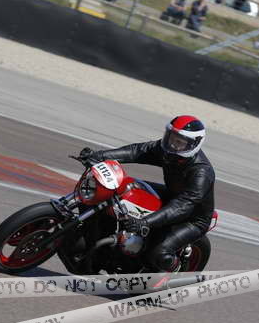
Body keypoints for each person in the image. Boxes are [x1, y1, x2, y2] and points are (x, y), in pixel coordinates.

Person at [78, 116, 215, 273]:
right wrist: (99, 156)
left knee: (157, 253)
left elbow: (182, 206)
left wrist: (145, 222)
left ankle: (173, 270)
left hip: (192, 218)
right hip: (171, 196)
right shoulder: (167, 150)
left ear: (194, 144)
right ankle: (101, 247)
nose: (173, 144)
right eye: (171, 137)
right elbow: (137, 151)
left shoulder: (201, 172)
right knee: (120, 189)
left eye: (179, 142)